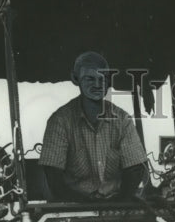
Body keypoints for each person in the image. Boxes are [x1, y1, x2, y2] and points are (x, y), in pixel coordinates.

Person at [40, 51, 148, 201]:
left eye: (102, 78)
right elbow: (53, 176)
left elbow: (135, 169)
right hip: (74, 207)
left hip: (117, 205)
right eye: (90, 78)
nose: (97, 85)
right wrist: (86, 205)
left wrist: (118, 203)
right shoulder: (59, 121)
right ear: (75, 79)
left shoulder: (122, 119)